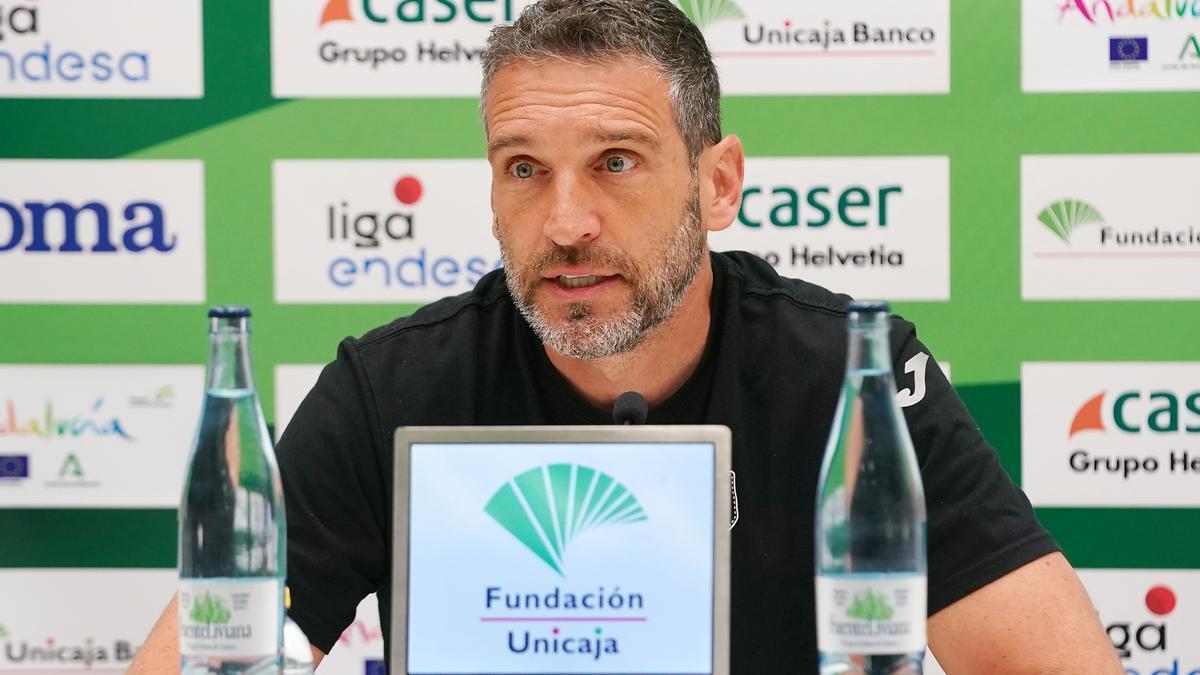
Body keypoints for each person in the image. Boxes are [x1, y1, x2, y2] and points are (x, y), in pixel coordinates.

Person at [132, 0, 1121, 672]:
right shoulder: (392, 391)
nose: (565, 223)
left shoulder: (849, 379)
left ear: (717, 182)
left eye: (615, 161)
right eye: (524, 168)